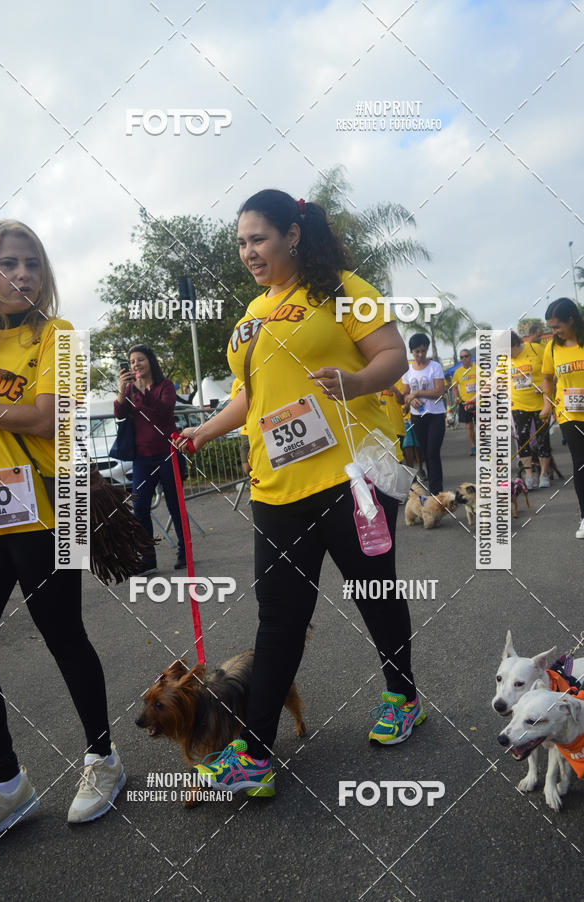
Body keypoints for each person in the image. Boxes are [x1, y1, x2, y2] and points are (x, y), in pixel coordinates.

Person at [177, 189, 424, 798]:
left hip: (351, 479)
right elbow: (250, 396)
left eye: (258, 238)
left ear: (292, 233)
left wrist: (357, 380)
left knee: (373, 591)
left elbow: (391, 354)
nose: (248, 252)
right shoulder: (250, 316)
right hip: (276, 487)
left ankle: (403, 696)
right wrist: (203, 431)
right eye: (240, 242)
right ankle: (255, 755)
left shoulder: (342, 289)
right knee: (279, 618)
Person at [0, 220, 125, 846]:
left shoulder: (60, 337)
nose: (21, 274)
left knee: (64, 636)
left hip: (56, 501)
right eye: (7, 262)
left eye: (32, 263)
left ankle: (103, 760)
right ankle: (5, 784)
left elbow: (44, 419)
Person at [115, 344, 187, 572]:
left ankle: (185, 551)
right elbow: (119, 413)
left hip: (167, 453)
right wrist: (122, 389)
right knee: (140, 507)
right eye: (133, 361)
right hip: (142, 459)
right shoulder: (130, 390)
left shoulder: (164, 386)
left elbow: (165, 412)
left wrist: (143, 392)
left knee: (175, 506)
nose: (136, 364)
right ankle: (147, 559)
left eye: (140, 360)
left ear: (150, 361)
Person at [541, 298, 584, 538]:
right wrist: (547, 402)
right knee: (580, 462)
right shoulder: (552, 348)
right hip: (569, 414)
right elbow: (547, 378)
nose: (554, 332)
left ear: (571, 319)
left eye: (557, 327)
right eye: (550, 328)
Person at [402, 334, 446, 493]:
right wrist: (410, 399)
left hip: (435, 415)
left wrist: (418, 393)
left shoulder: (435, 367)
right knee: (426, 454)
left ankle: (437, 492)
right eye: (416, 351)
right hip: (417, 417)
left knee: (433, 452)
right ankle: (433, 490)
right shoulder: (407, 370)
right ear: (411, 351)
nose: (420, 355)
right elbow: (405, 394)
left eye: (423, 351)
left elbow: (440, 392)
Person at [510, 330, 551, 489]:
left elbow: (551, 371)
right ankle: (529, 476)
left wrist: (544, 386)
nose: (507, 355)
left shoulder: (535, 349)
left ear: (516, 344)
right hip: (519, 404)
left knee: (542, 439)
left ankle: (544, 474)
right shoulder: (504, 360)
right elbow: (496, 380)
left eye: (509, 351)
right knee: (523, 440)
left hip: (540, 403)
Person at [451, 348, 477, 455]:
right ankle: (473, 446)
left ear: (470, 357)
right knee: (469, 426)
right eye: (462, 357)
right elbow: (454, 387)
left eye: (466, 356)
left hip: (479, 402)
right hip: (465, 402)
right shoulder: (458, 372)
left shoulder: (478, 369)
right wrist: (457, 398)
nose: (464, 359)